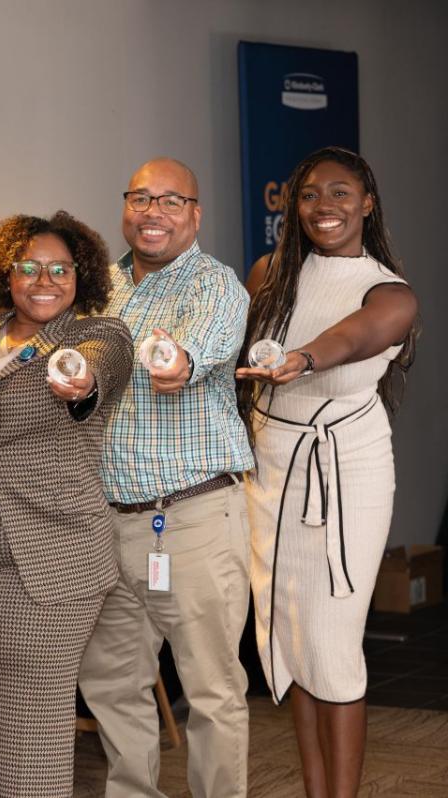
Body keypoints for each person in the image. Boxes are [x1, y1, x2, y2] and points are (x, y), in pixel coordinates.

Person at [0, 212, 132, 796]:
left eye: (60, 268)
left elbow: (95, 367)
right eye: (29, 266)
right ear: (6, 273)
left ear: (80, 276)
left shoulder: (99, 335)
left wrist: (78, 378)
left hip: (54, 555)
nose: (45, 279)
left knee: (30, 726)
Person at [236, 146, 417, 798]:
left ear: (368, 202)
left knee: (333, 647)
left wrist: (305, 358)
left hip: (344, 472)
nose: (324, 207)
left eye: (341, 193)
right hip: (272, 470)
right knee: (293, 642)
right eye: (310, 194)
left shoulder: (390, 293)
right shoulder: (268, 273)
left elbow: (356, 335)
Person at [77, 157, 256, 798]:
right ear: (124, 206)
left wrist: (172, 359)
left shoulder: (216, 286)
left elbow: (185, 360)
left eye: (171, 201)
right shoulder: (96, 287)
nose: (153, 212)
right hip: (107, 523)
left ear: (195, 214)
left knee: (211, 689)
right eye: (141, 198)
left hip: (193, 517)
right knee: (112, 684)